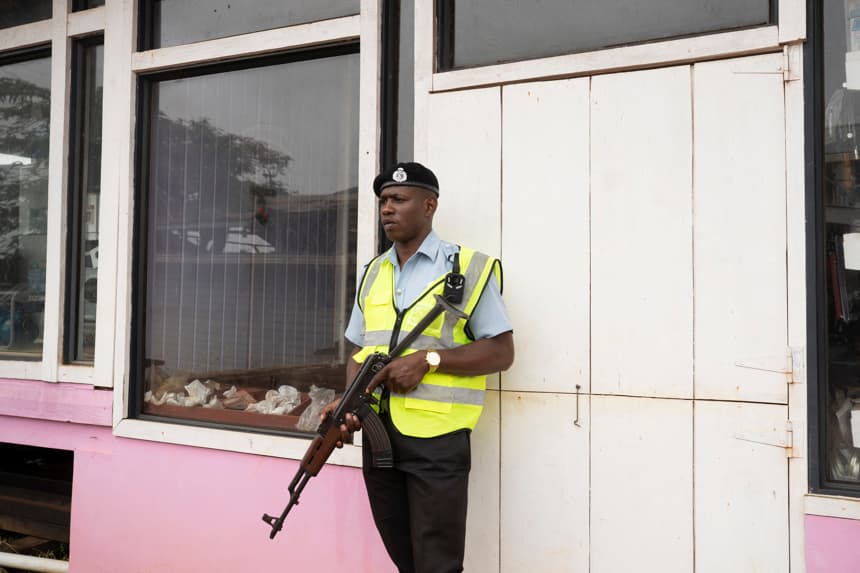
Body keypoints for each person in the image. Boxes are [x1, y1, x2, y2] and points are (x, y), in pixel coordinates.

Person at [321, 161, 514, 573]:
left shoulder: (467, 269)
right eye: (383, 201)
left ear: (429, 206)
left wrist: (430, 360)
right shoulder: (374, 271)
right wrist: (347, 403)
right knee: (404, 558)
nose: (387, 209)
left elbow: (501, 351)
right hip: (379, 439)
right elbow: (360, 350)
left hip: (437, 441)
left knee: (437, 564)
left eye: (398, 199)